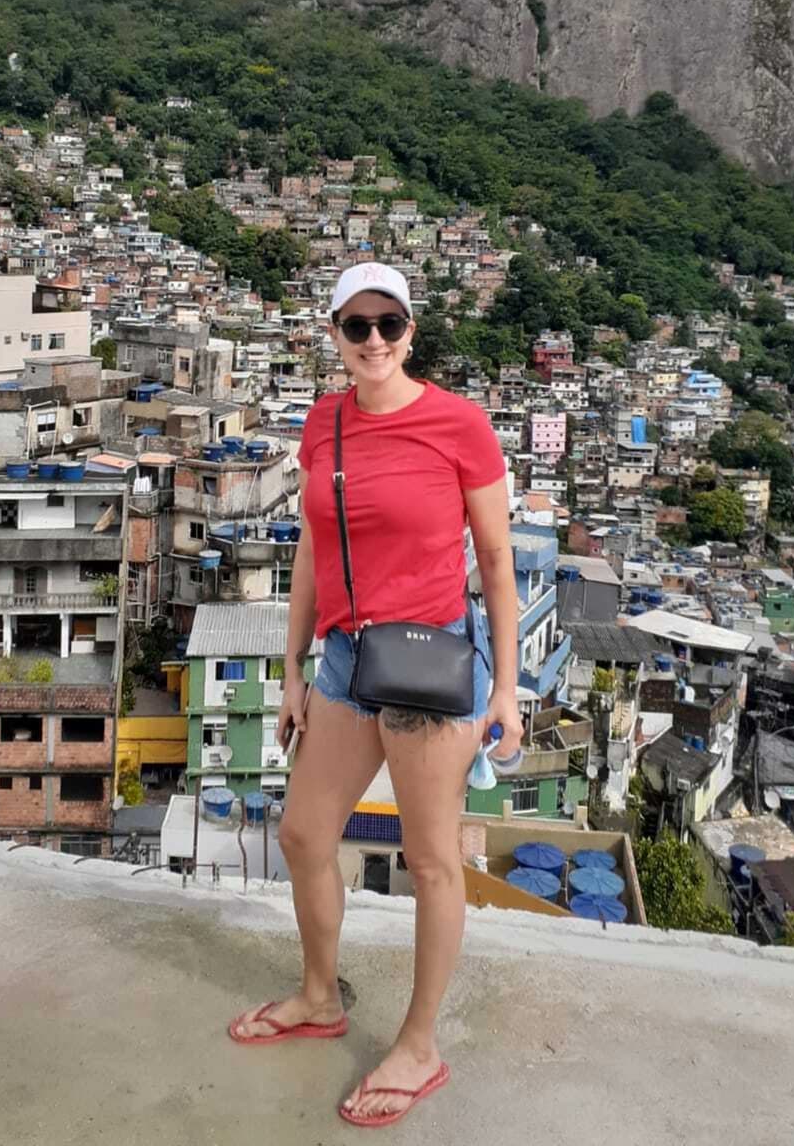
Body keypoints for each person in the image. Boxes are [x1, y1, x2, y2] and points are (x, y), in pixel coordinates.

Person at [229, 260, 522, 1127]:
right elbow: (314, 550)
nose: (373, 342)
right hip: (347, 662)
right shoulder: (324, 425)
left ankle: (419, 1045)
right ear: (333, 334)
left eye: (387, 325)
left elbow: (498, 562)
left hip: (429, 668)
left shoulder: (459, 425)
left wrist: (506, 687)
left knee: (433, 860)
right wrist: (292, 667)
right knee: (304, 831)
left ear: (410, 334)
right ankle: (321, 997)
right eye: (355, 326)